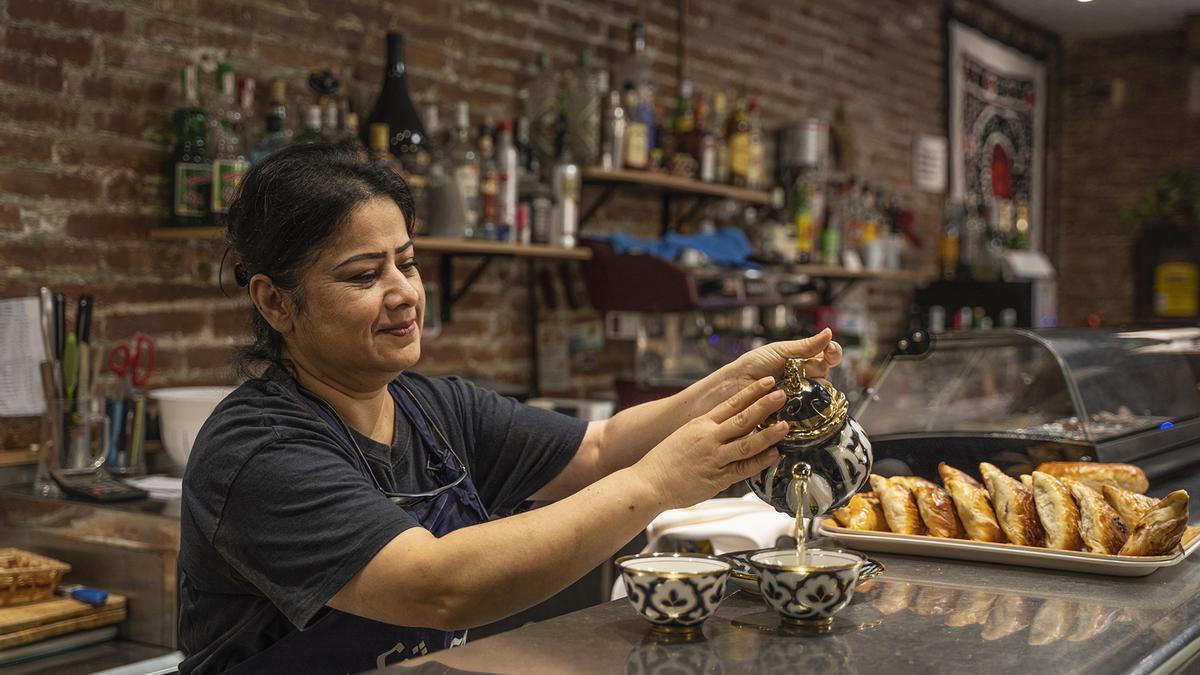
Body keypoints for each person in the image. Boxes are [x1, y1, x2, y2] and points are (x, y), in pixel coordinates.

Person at [177, 141, 841, 674]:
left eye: (406, 264)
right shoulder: (259, 449)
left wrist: (729, 383)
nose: (403, 293)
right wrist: (661, 481)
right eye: (362, 275)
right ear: (274, 302)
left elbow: (600, 447)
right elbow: (437, 586)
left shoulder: (432, 409)